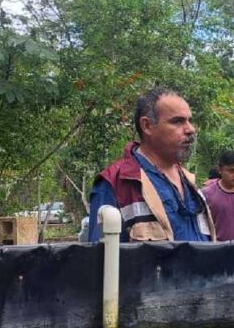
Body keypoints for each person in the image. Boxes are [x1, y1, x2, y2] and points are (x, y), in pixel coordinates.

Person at [88, 87, 215, 242]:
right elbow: (100, 260)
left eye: (189, 120)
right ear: (147, 126)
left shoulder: (189, 182)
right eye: (177, 121)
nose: (190, 129)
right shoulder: (116, 184)